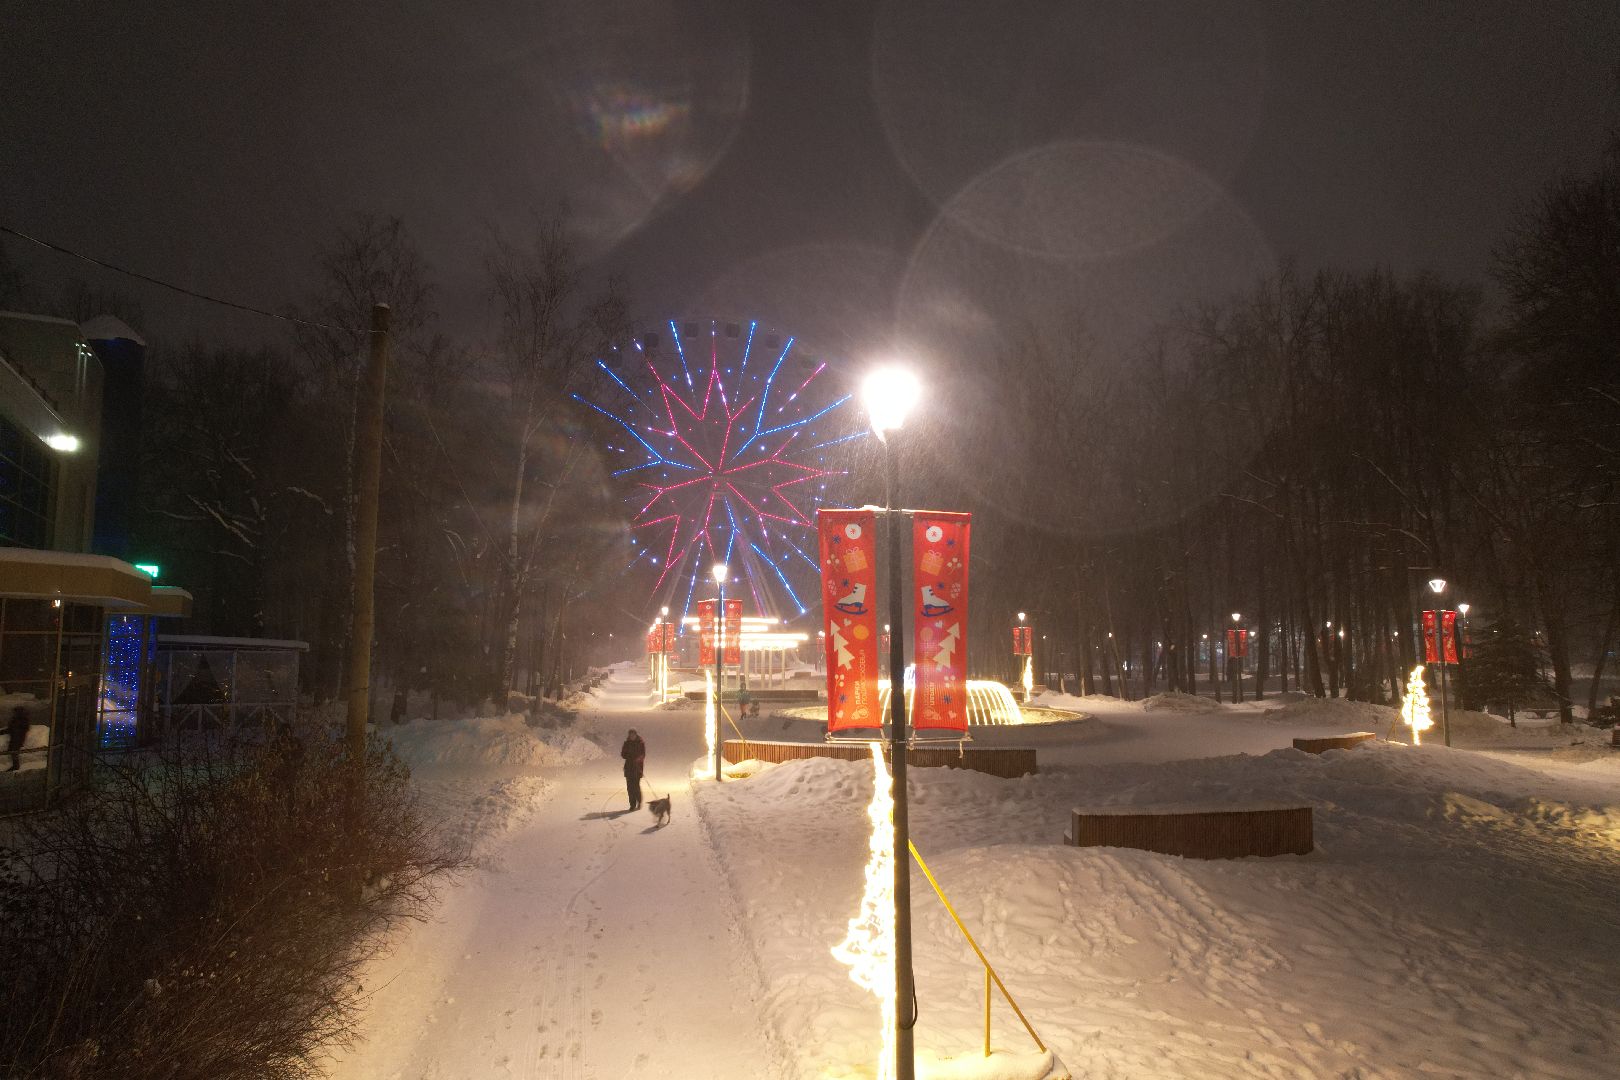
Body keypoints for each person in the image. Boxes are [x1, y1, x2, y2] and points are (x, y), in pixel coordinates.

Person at [620, 728, 645, 810]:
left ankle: (639, 802)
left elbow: (643, 755)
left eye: (633, 734)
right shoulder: (626, 743)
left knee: (636, 786)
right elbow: (623, 755)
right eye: (630, 734)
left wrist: (638, 759)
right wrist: (628, 754)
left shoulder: (640, 743)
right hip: (628, 768)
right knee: (630, 787)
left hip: (637, 768)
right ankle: (632, 805)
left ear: (635, 734)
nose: (631, 736)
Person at [7, 705, 30, 772]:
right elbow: (10, 729)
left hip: (18, 739)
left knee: (14, 751)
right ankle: (15, 765)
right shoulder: (17, 719)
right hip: (15, 738)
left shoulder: (22, 720)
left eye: (15, 712)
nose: (13, 713)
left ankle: (16, 766)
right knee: (12, 751)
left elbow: (16, 729)